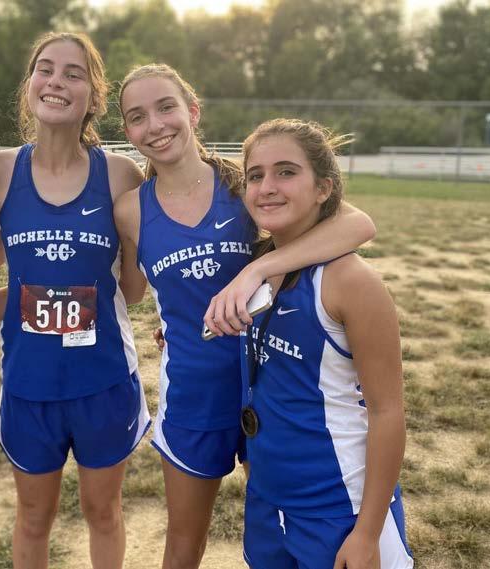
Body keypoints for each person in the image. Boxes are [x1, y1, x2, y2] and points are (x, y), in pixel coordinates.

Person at [114, 64, 377, 569]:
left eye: (166, 107)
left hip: (273, 385)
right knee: (183, 545)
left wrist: (256, 269)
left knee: (278, 534)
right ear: (127, 131)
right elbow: (133, 288)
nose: (156, 124)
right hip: (195, 393)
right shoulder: (130, 210)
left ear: (193, 111)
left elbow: (358, 224)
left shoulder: (244, 182)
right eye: (137, 116)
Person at [0, 32, 147, 569]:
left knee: (104, 512)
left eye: (74, 73)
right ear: (29, 84)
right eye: (45, 68)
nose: (56, 81)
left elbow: (134, 288)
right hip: (29, 384)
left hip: (103, 381)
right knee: (33, 518)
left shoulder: (120, 174)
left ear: (95, 95)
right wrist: (33, 295)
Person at [237, 119, 413, 568]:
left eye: (286, 172)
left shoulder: (351, 282)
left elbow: (388, 412)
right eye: (255, 175)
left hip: (340, 509)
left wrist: (367, 533)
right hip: (268, 498)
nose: (267, 187)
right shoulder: (257, 266)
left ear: (323, 188)